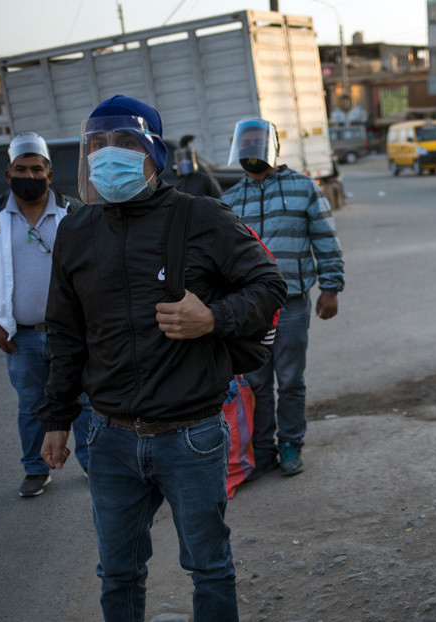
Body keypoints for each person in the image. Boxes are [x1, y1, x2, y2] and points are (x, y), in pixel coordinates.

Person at [39, 96, 286, 622]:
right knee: (119, 572)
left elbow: (270, 285)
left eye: (125, 143)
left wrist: (213, 318)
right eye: (98, 145)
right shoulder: (77, 230)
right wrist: (57, 418)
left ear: (155, 152)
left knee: (210, 567)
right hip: (108, 439)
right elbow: (65, 332)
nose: (110, 155)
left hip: (191, 435)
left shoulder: (202, 217)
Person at [0, 131, 92, 498]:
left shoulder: (73, 212)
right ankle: (36, 469)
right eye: (21, 169)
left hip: (72, 332)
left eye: (37, 169)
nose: (30, 176)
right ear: (8, 175)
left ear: (50, 175)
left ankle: (92, 463)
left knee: (82, 399)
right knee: (32, 405)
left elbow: (95, 266)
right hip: (22, 334)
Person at [220, 118, 345, 479]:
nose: (249, 152)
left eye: (256, 143)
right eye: (244, 145)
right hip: (248, 309)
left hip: (291, 304)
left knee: (290, 378)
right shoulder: (230, 200)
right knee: (256, 381)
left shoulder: (303, 187)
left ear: (272, 147)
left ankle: (291, 443)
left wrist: (331, 287)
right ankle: (263, 448)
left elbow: (325, 239)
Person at [174, 134, 223, 198]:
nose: (184, 163)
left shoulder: (204, 179)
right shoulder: (179, 184)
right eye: (181, 161)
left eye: (187, 159)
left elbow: (219, 199)